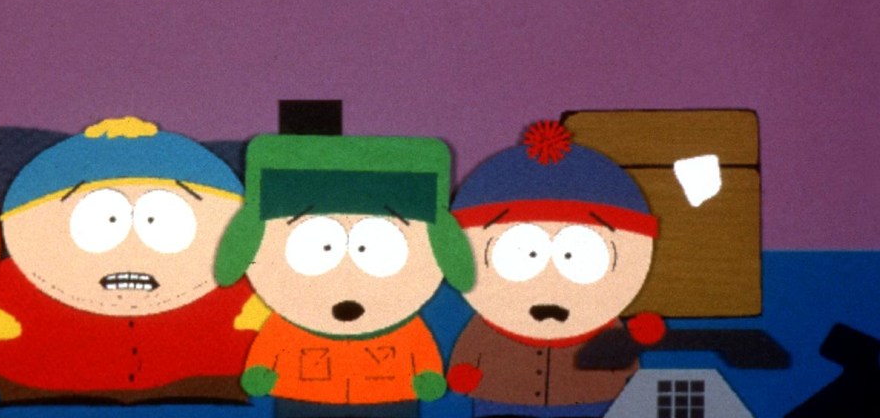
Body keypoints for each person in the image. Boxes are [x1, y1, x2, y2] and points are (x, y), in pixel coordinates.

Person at [0, 116, 258, 404]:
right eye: (102, 221)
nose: (132, 249)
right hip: (45, 391)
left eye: (161, 221)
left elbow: (253, 314)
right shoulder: (9, 284)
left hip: (204, 388)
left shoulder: (234, 283)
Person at [215, 133, 476, 418]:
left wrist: (426, 372)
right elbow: (272, 344)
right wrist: (261, 368)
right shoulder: (287, 327)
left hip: (389, 396)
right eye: (316, 247)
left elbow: (419, 346)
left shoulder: (405, 328)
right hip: (303, 395)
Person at [447, 120, 665, 418]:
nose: (549, 280)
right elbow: (466, 360)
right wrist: (464, 373)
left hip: (587, 401)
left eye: (579, 256)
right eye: (524, 254)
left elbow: (624, 360)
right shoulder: (487, 329)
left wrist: (635, 339)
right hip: (501, 399)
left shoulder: (603, 326)